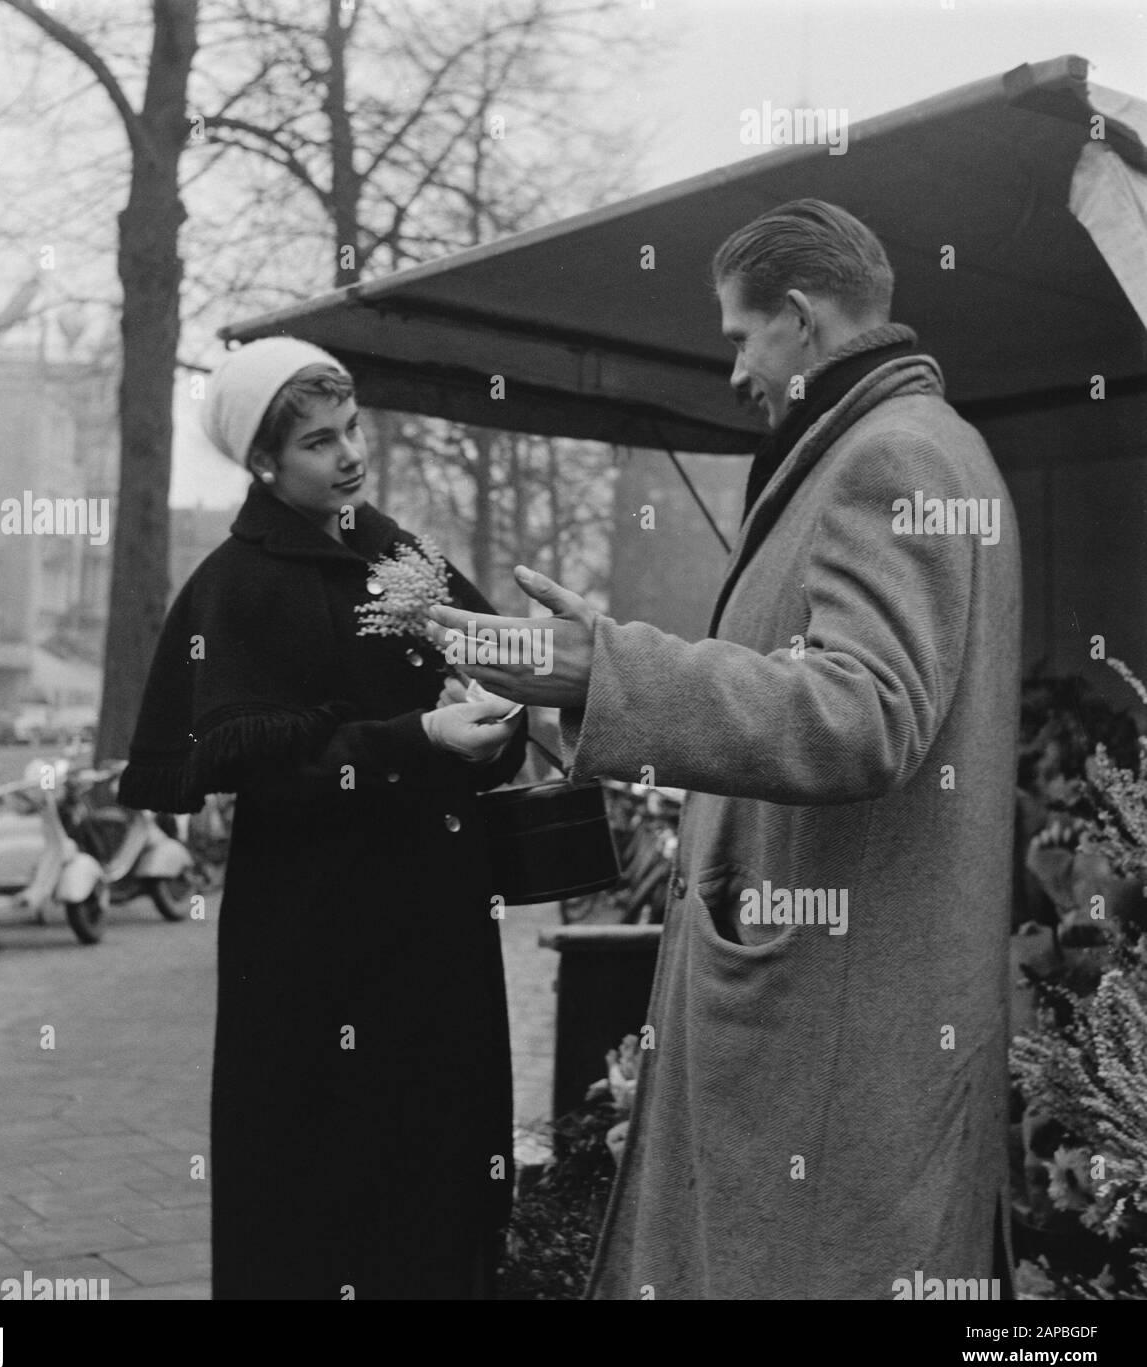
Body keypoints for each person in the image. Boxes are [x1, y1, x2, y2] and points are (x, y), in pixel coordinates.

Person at [427, 199, 1023, 1299]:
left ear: (796, 318)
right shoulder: (901, 447)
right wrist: (590, 682)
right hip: (829, 1009)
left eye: (739, 336)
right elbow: (801, 689)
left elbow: (864, 714)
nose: (736, 370)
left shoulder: (889, 457)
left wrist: (602, 667)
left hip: (825, 1027)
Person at [117, 337, 527, 1299]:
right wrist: (418, 740)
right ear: (264, 462)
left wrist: (502, 719)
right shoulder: (238, 584)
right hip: (316, 942)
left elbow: (491, 675)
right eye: (316, 442)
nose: (348, 454)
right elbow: (269, 769)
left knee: (438, 1162)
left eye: (351, 429)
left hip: (436, 925)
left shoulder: (404, 561)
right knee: (324, 1177)